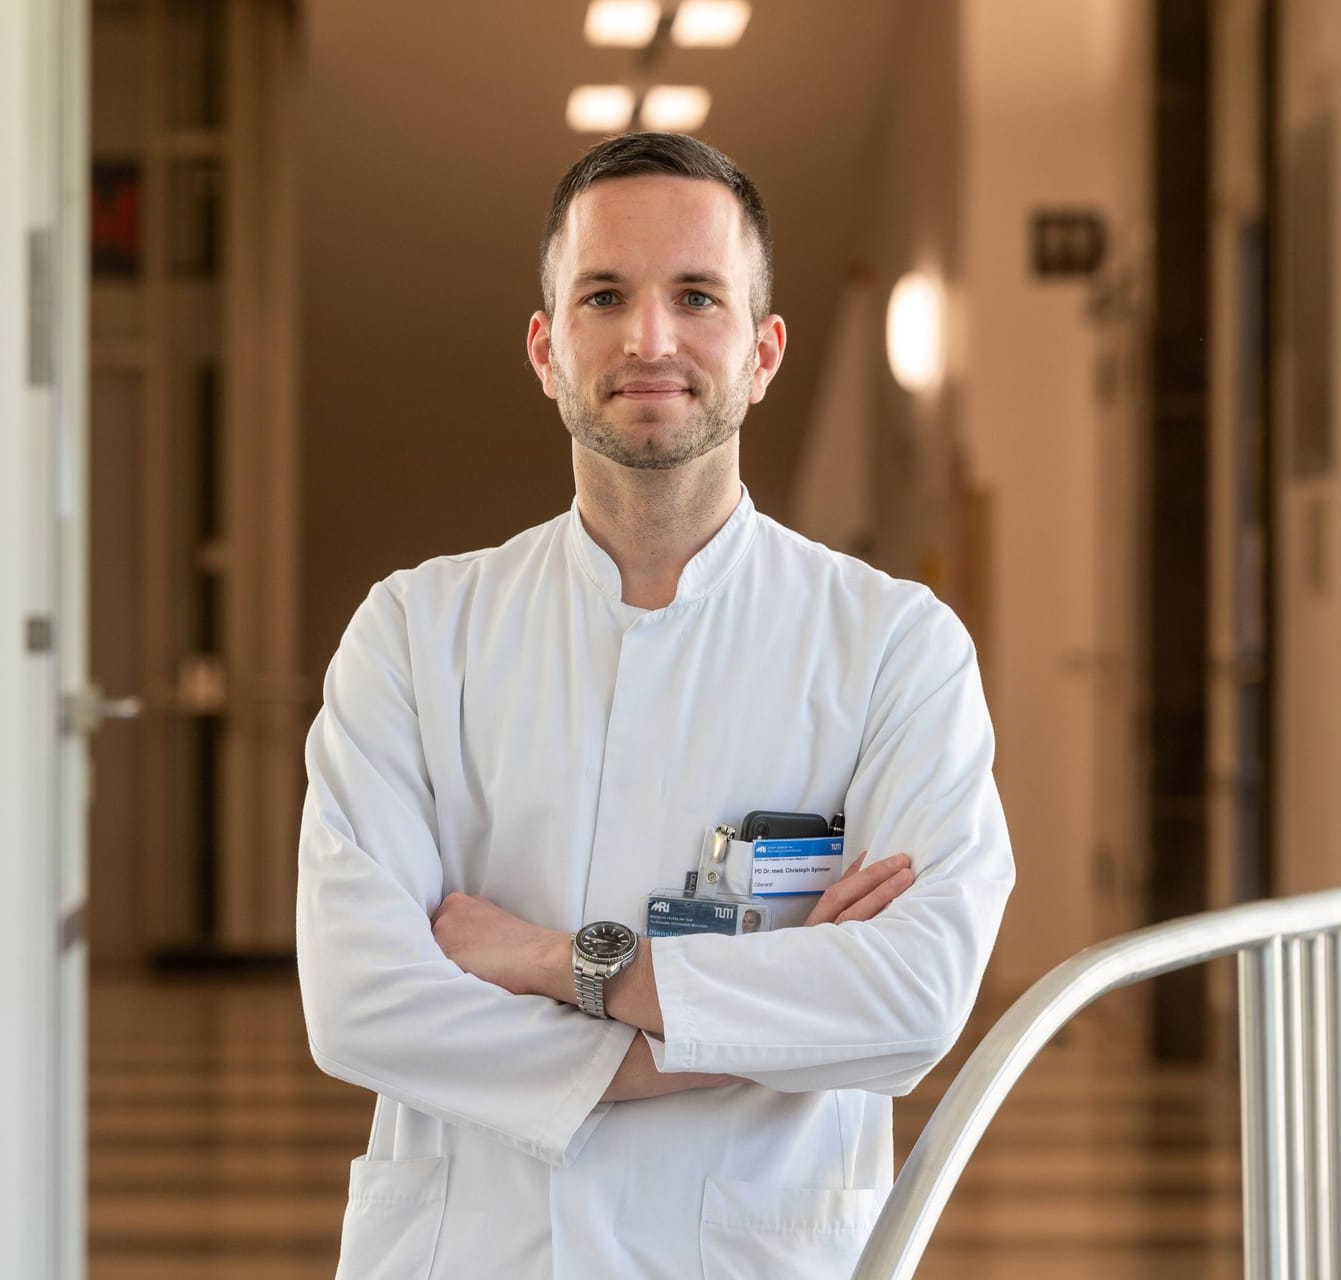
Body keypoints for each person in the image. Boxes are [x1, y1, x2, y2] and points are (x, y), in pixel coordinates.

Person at [297, 131, 1015, 1278]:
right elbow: (360, 1000)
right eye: (604, 295)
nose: (649, 339)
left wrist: (556, 961)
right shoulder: (413, 633)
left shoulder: (894, 645)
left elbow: (914, 994)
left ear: (764, 350)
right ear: (545, 346)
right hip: (474, 1247)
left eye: (696, 295)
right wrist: (737, 1033)